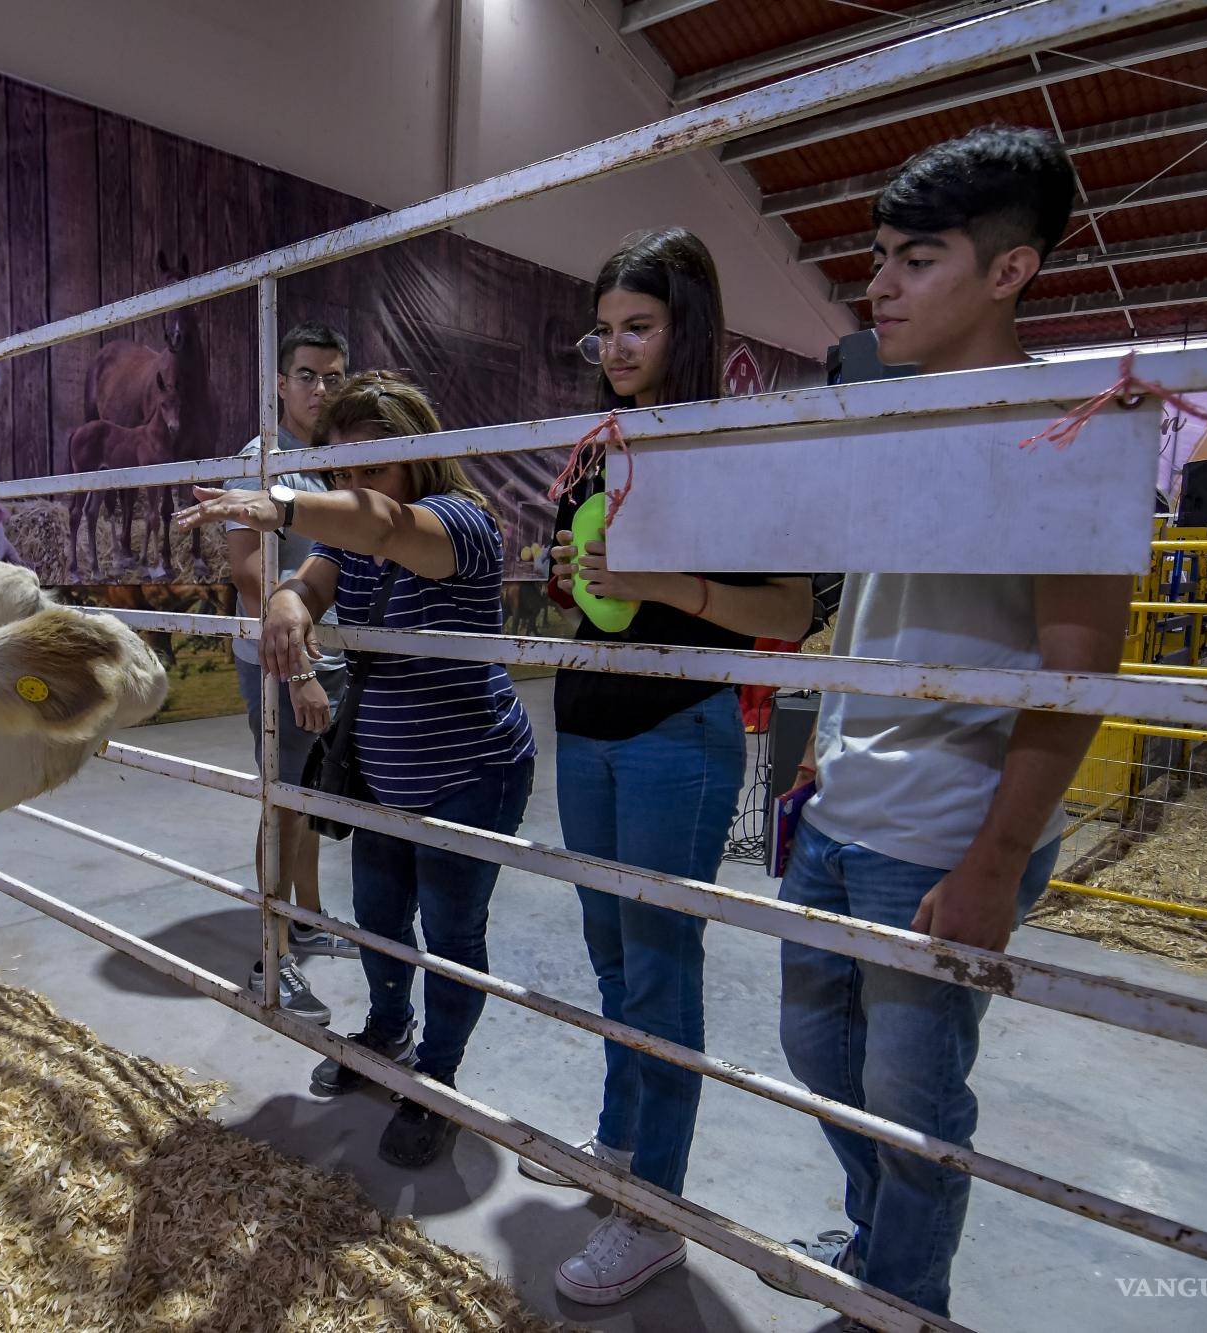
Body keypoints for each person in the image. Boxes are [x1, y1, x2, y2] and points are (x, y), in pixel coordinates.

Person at [772, 126, 1130, 1325]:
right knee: (819, 1062)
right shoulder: (895, 421)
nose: (878, 285)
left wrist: (990, 863)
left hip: (940, 838)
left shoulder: (1067, 432)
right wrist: (824, 738)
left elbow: (1079, 663)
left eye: (915, 259)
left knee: (913, 1100)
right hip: (838, 809)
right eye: (877, 256)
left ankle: (902, 1301)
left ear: (1007, 271)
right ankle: (882, 1240)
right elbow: (877, 608)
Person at [525, 228, 812, 1307]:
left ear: (684, 329)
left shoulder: (731, 447)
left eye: (635, 325)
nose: (614, 346)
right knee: (610, 952)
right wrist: (567, 573)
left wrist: (672, 583)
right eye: (601, 329)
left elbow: (785, 610)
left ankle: (657, 1213)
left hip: (674, 731)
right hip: (589, 719)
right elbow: (595, 589)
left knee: (658, 966)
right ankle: (618, 1147)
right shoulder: (599, 446)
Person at [175, 371, 535, 1169]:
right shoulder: (350, 531)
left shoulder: (461, 522)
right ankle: (384, 1030)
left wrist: (287, 507)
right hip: (382, 765)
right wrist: (287, 603)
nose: (355, 485)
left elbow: (380, 528)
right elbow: (314, 576)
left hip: (469, 769)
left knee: (449, 932)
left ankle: (436, 1077)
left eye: (374, 467)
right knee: (377, 914)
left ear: (421, 457)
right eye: (342, 470)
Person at [224, 323, 358, 1025]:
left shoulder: (333, 459)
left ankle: (305, 917)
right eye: (306, 375)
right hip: (283, 663)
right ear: (279, 383)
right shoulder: (264, 461)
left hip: (327, 660)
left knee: (308, 792)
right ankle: (270, 957)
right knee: (282, 801)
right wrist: (299, 666)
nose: (320, 390)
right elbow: (251, 573)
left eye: (333, 377)